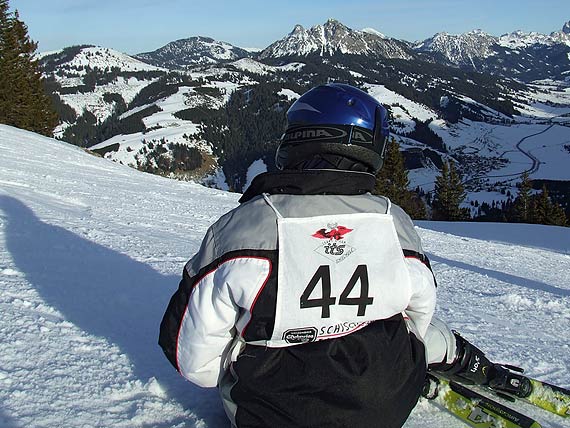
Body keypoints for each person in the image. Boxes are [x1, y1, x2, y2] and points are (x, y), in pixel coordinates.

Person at [158, 83, 519, 428]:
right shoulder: (394, 222)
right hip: (388, 403)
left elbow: (194, 363)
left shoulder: (242, 228)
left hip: (273, 413)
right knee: (406, 328)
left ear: (298, 139)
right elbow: (420, 315)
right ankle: (460, 359)